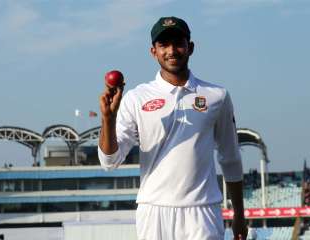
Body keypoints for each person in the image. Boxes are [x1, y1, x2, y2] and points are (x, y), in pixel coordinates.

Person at [98, 16, 247, 240]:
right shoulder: (136, 98)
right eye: (163, 45)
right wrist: (108, 119)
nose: (172, 50)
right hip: (154, 210)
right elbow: (109, 162)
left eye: (178, 43)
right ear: (153, 51)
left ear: (191, 47)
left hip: (203, 210)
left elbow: (230, 157)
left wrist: (239, 214)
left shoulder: (217, 96)